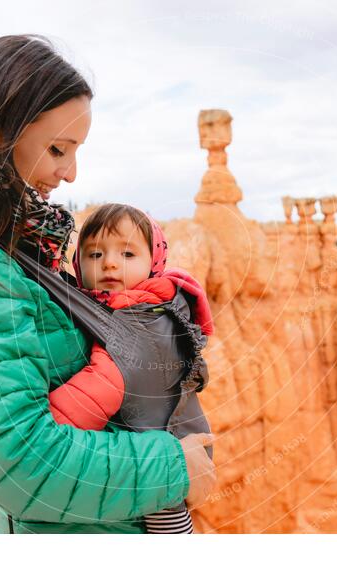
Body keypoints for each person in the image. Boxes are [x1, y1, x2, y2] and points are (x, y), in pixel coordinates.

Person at [0, 34, 215, 534]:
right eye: (58, 149)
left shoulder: (14, 247)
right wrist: (174, 467)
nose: (71, 173)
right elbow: (21, 464)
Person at [47, 203, 214, 533]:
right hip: (173, 442)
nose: (109, 262)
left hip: (169, 455)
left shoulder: (136, 321)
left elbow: (105, 383)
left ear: (153, 262)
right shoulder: (159, 305)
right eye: (95, 255)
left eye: (127, 255)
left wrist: (43, 423)